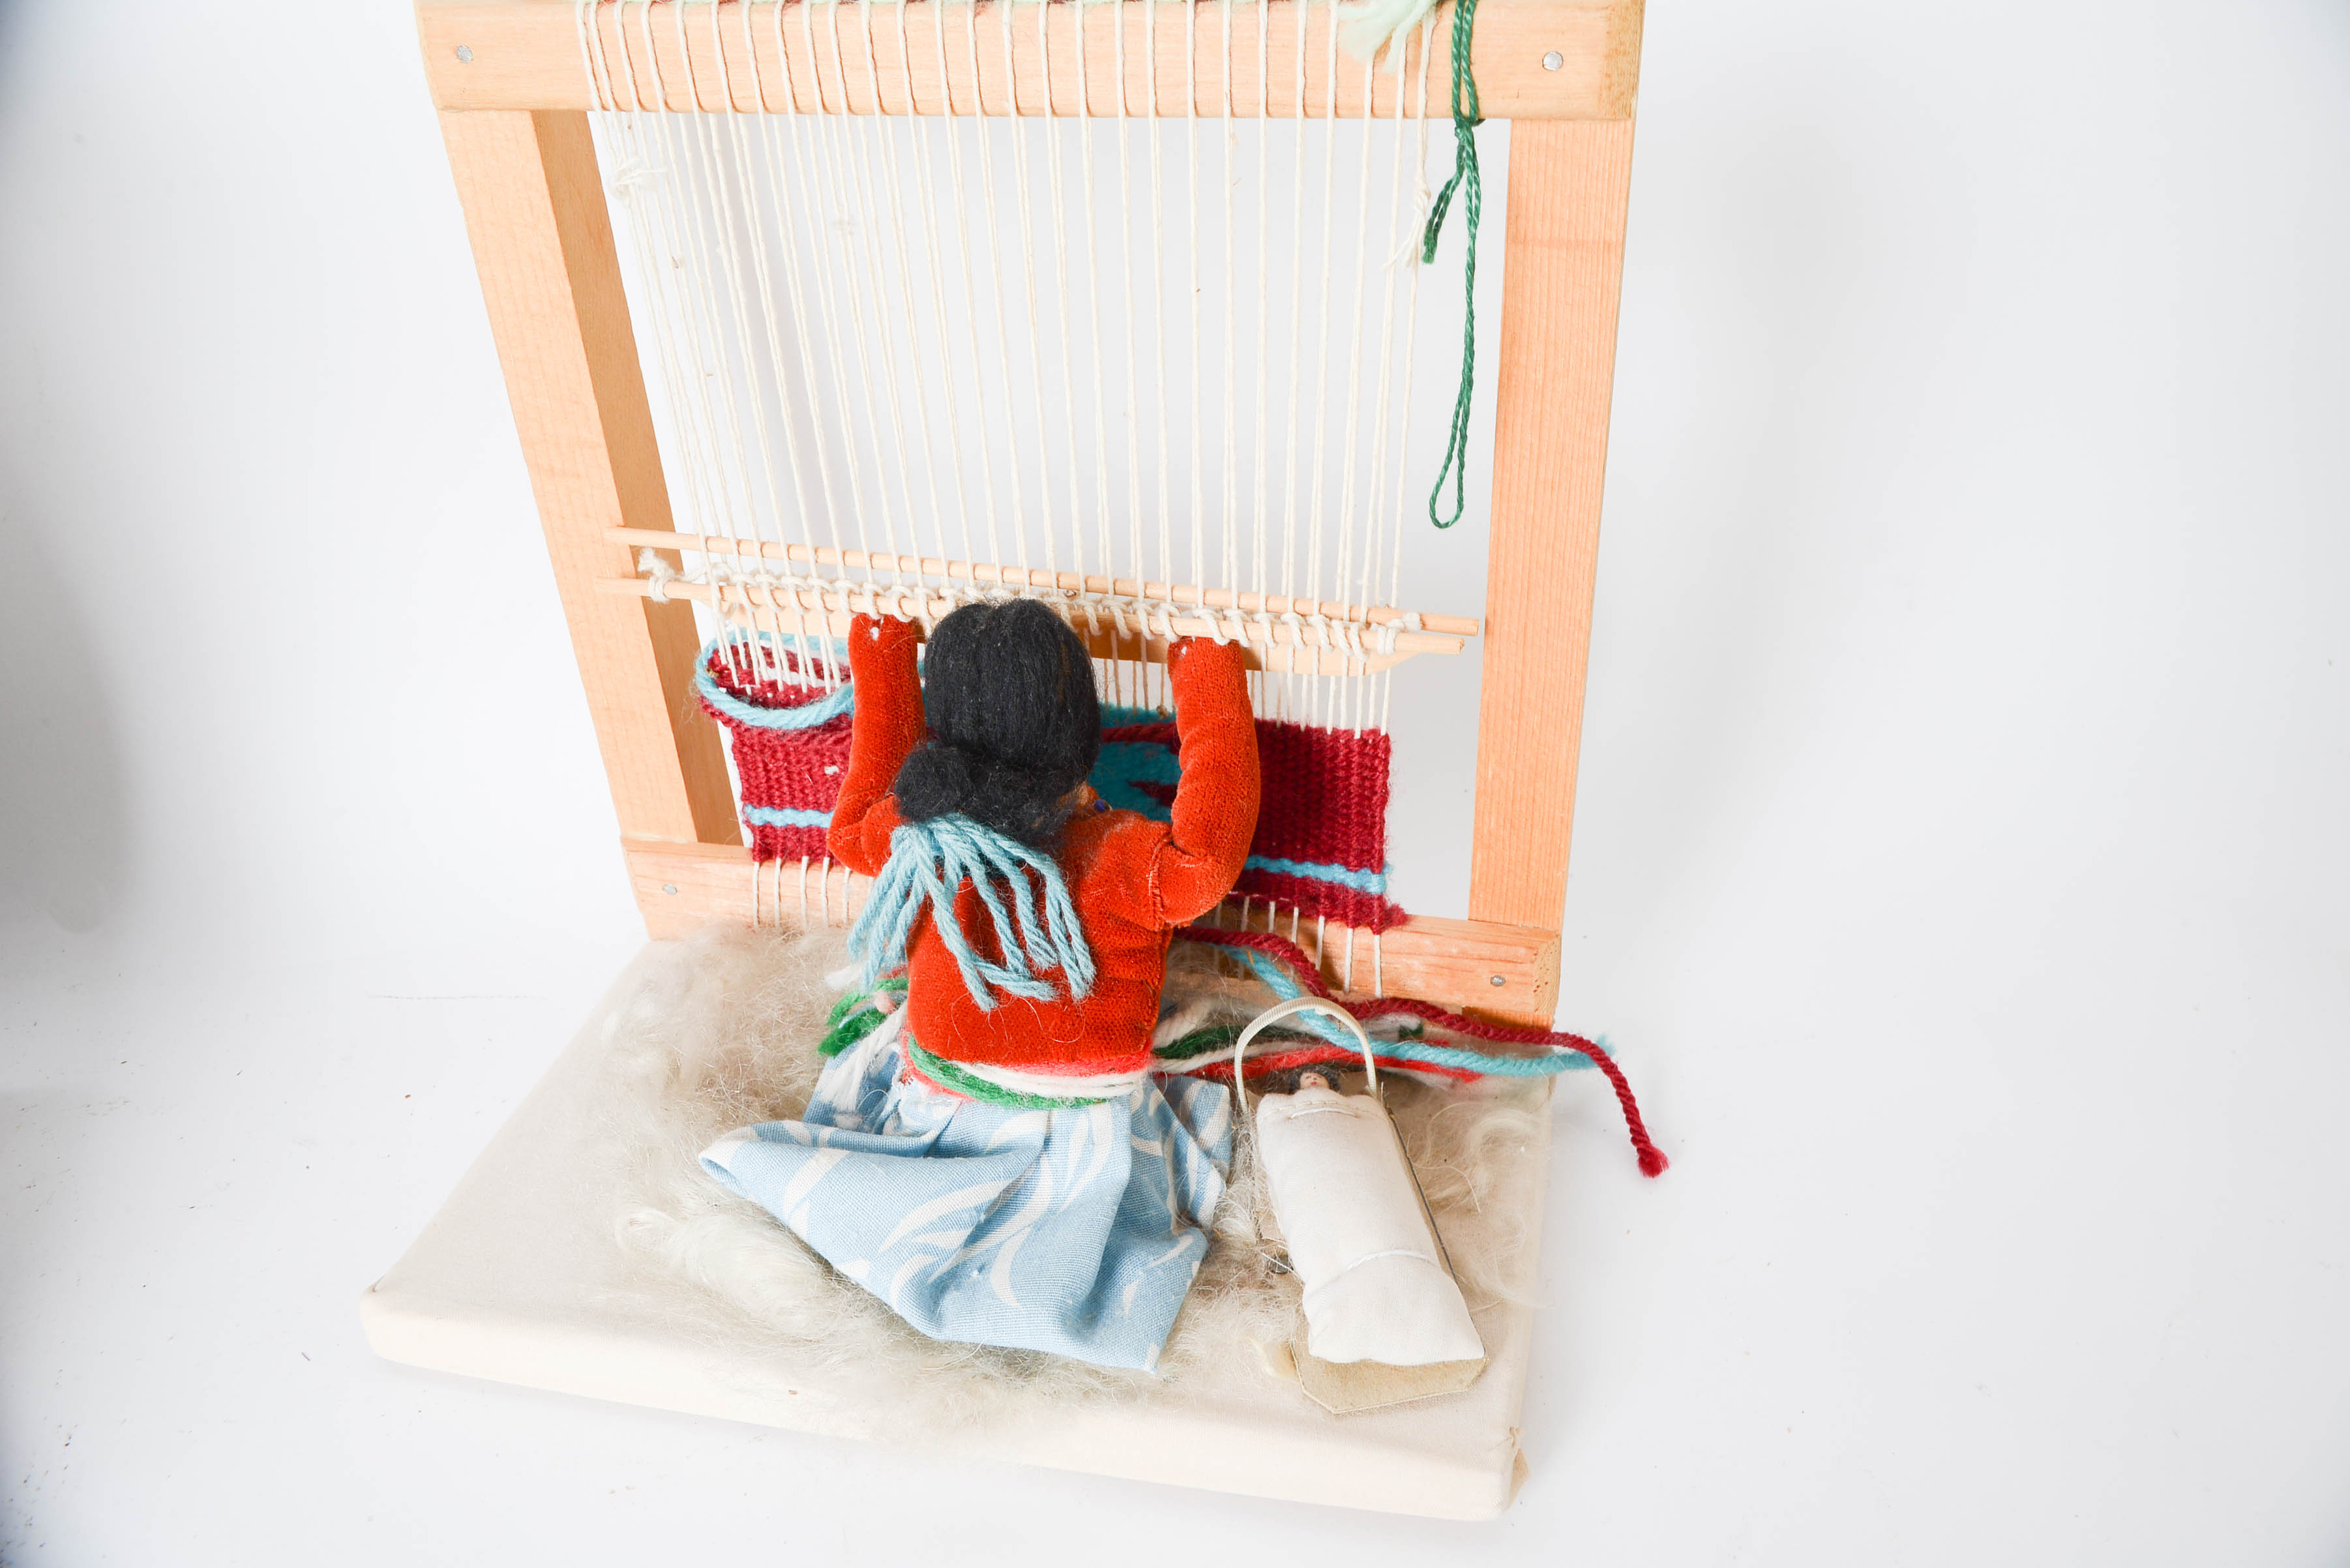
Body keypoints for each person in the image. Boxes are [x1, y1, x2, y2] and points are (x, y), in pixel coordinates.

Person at [701, 602, 1260, 1371]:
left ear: (944, 727)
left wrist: (882, 655)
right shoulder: (1124, 855)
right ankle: (1039, 1284)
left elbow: (852, 821)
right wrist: (1207, 669)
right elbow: (1209, 857)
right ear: (1082, 731)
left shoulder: (920, 839)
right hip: (1079, 1133)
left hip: (938, 1106)